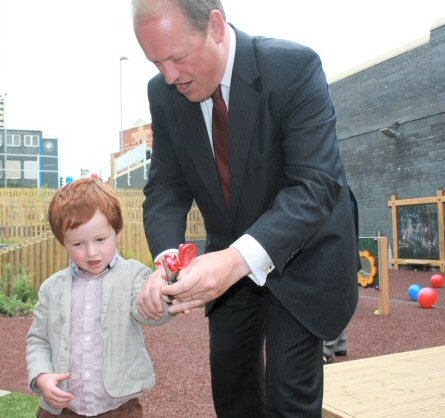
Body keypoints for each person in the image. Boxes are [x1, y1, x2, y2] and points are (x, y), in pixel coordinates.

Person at [133, 1, 359, 416]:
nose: (168, 77)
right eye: (155, 61)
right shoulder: (163, 94)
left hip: (304, 253)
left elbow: (316, 184)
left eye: (178, 58)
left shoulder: (293, 68)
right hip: (227, 255)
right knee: (232, 390)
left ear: (216, 27)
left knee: (287, 397)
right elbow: (166, 185)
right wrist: (169, 260)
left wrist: (237, 259)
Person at [26, 178, 174, 418]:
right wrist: (42, 375)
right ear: (63, 242)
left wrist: (164, 296)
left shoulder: (134, 276)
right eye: (77, 243)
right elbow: (38, 340)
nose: (91, 252)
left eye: (100, 240)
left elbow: (149, 312)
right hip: (61, 409)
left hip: (118, 408)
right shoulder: (51, 289)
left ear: (117, 233)